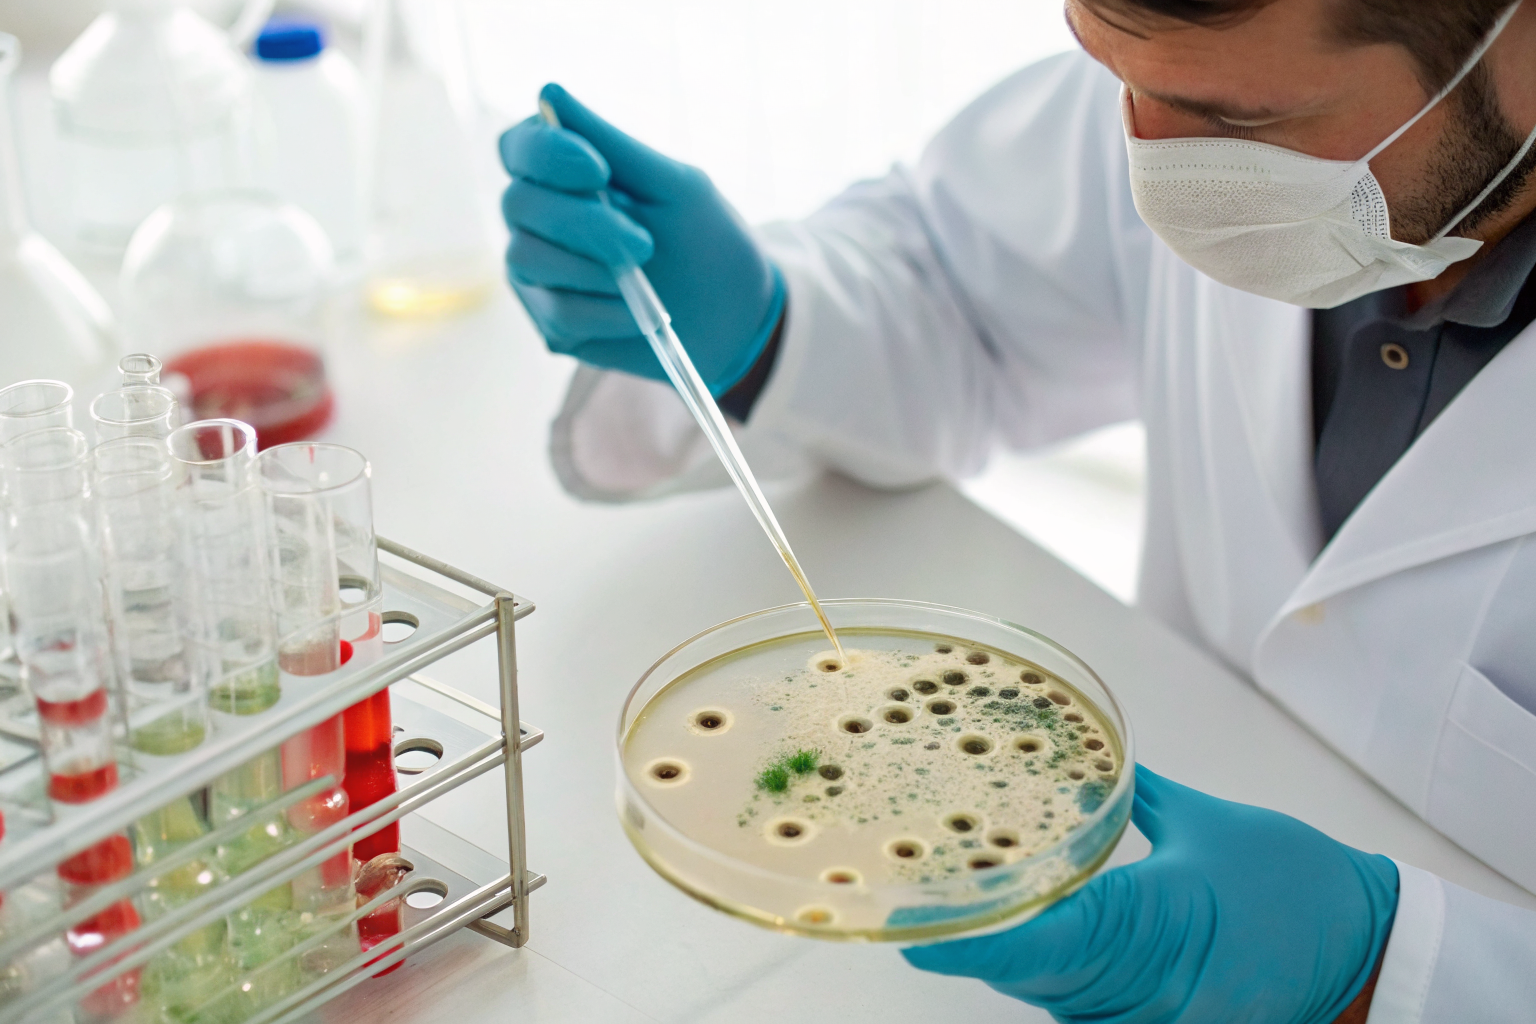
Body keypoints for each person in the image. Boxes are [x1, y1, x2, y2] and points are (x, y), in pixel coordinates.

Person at [497, 0, 1536, 1019]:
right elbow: (960, 296)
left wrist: (1394, 971)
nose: (1156, 158)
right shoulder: (1195, 67)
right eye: (1110, 66)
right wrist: (770, 324)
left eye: (1243, 120)